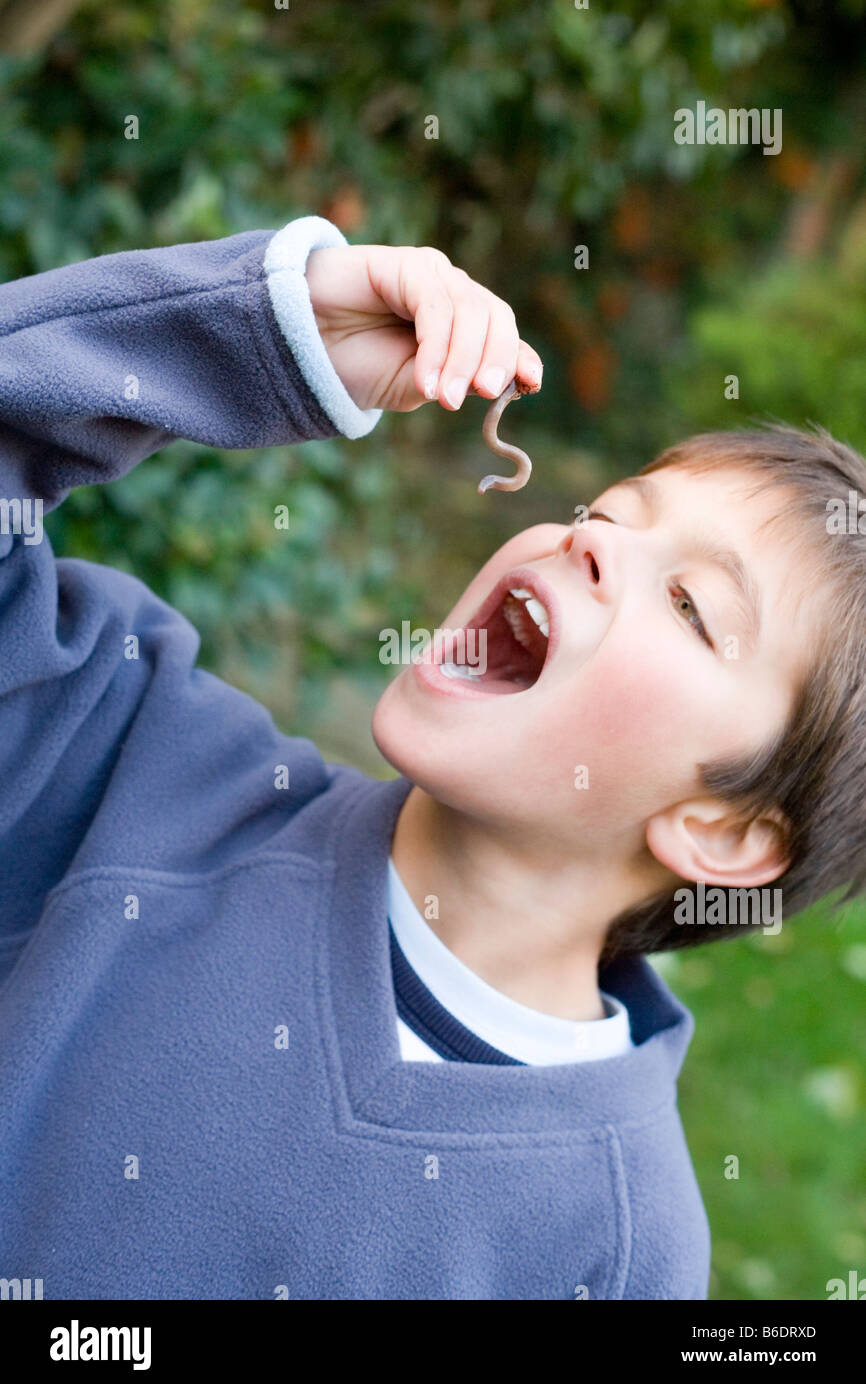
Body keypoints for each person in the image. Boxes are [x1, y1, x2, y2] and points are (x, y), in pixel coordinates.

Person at [2, 213, 862, 1299]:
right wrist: (265, 333)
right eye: (606, 511)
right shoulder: (133, 760)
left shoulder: (611, 1250)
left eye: (690, 604)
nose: (585, 538)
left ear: (724, 830)